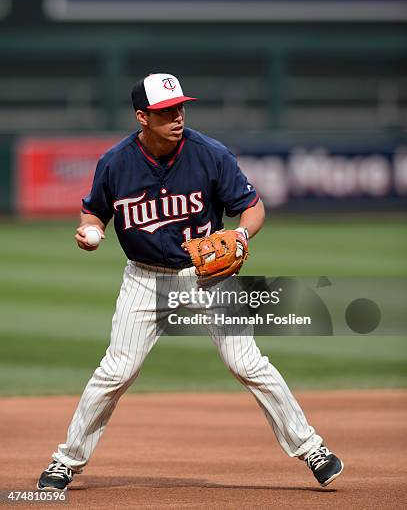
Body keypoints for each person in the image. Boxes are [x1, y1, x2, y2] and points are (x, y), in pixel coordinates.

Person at [37, 73, 343, 491]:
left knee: (247, 363)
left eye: (180, 107)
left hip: (206, 276)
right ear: (142, 117)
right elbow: (94, 212)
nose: (177, 116)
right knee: (116, 371)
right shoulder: (115, 162)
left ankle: (312, 449)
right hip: (144, 279)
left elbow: (252, 208)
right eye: (166, 111)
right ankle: (65, 461)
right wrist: (89, 231)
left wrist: (239, 235)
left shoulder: (210, 154)